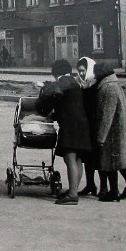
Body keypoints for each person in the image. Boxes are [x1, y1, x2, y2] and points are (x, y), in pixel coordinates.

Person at [36, 59, 92, 205]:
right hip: (81, 124)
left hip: (71, 125)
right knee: (77, 158)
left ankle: (73, 194)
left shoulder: (63, 81)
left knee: (70, 157)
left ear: (56, 72)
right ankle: (73, 190)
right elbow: (65, 102)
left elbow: (52, 92)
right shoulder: (73, 81)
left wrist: (43, 87)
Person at [93, 63, 126, 202]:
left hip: (112, 133)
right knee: (119, 161)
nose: (95, 76)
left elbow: (107, 114)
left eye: (96, 73)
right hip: (117, 130)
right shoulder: (114, 84)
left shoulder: (108, 88)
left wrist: (100, 137)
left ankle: (114, 191)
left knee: (110, 162)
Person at [76, 57, 109, 198]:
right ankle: (90, 185)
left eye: (83, 71)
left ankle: (103, 187)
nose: (81, 74)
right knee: (87, 158)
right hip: (86, 126)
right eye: (79, 72)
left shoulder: (96, 84)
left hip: (96, 125)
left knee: (99, 158)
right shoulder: (83, 84)